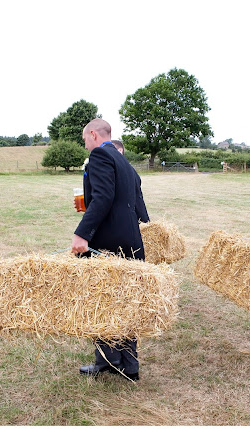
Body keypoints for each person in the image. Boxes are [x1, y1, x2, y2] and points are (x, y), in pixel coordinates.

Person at [71, 119, 148, 381]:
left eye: (84, 139)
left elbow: (103, 197)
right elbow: (121, 198)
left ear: (92, 134)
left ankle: (109, 360)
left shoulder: (100, 154)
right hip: (130, 239)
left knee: (104, 299)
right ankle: (127, 364)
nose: (85, 144)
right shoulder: (122, 159)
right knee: (124, 300)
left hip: (109, 242)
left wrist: (82, 233)